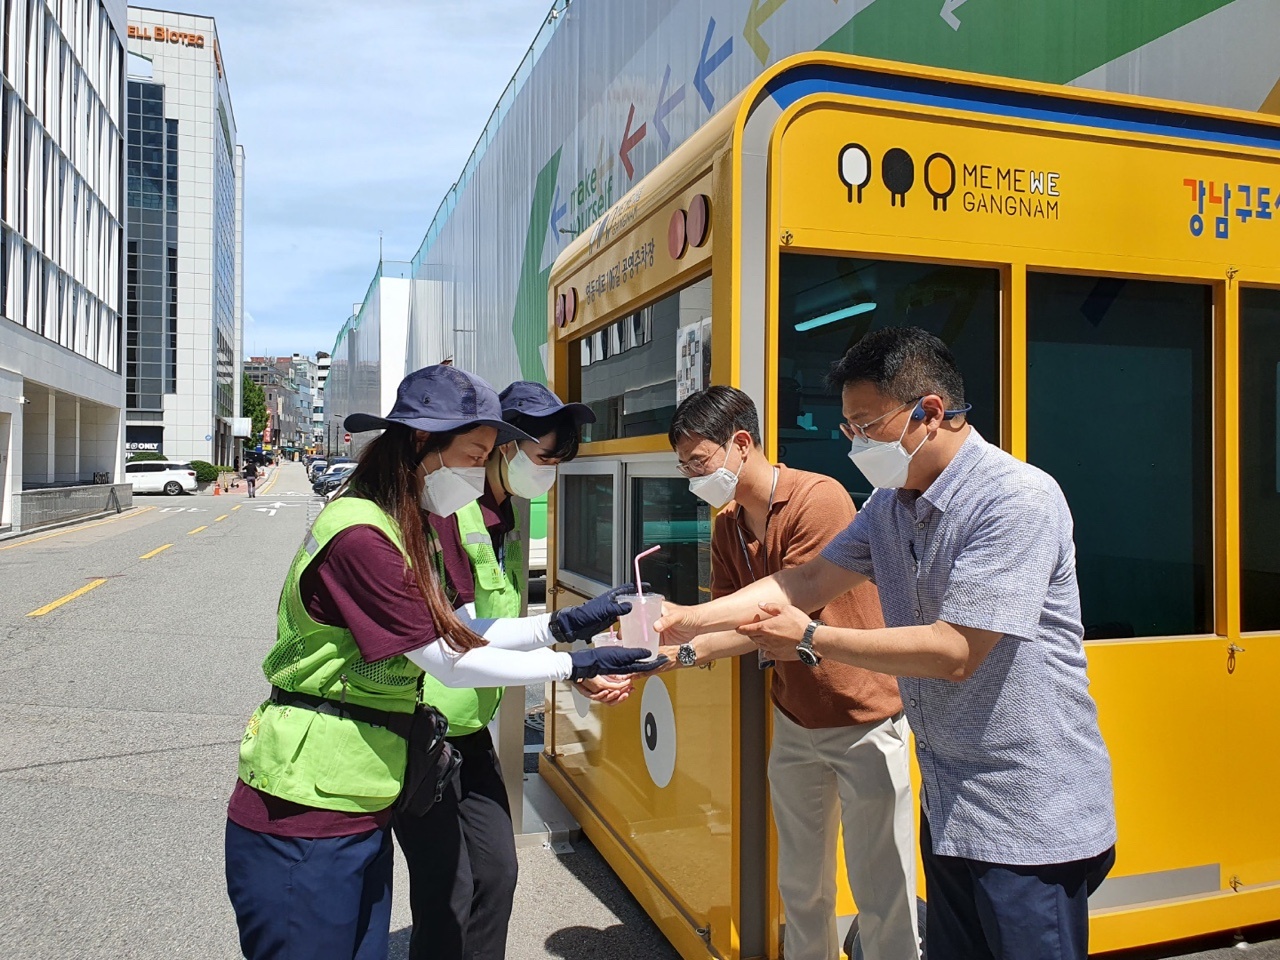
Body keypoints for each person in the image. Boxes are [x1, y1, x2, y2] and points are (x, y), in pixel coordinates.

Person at [656, 328, 1116, 960]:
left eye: (866, 426)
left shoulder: (1013, 499)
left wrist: (814, 637)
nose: (856, 444)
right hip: (952, 801)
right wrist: (688, 620)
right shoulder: (890, 505)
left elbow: (954, 651)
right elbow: (807, 579)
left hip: (1028, 813)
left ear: (929, 413)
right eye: (847, 429)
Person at [224, 364, 664, 960]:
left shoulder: (405, 524)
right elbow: (447, 659)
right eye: (472, 455)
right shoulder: (361, 533)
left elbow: (458, 629)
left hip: (362, 791)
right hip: (307, 799)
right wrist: (571, 666)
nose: (475, 473)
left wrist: (559, 625)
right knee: (442, 896)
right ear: (423, 442)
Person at [657, 386, 919, 960]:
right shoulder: (728, 523)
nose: (693, 478)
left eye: (699, 464)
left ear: (741, 444)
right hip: (795, 718)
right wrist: (675, 649)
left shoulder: (816, 498)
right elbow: (737, 622)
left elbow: (786, 614)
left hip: (864, 715)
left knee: (883, 889)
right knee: (801, 885)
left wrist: (689, 626)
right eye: (685, 468)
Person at [396, 379, 620, 960]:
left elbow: (496, 625)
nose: (549, 473)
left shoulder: (504, 512)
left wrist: (569, 654)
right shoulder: (447, 508)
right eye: (544, 457)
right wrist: (567, 663)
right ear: (502, 445)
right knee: (449, 890)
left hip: (469, 728)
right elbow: (456, 642)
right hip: (421, 728)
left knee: (497, 874)